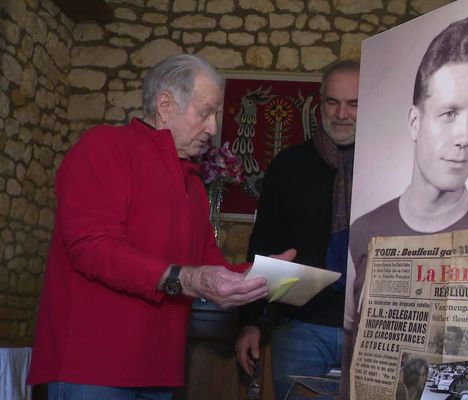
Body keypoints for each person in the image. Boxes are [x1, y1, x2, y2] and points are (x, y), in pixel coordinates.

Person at [26, 54, 295, 400]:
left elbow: (208, 264)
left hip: (160, 369)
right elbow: (91, 246)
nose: (213, 128)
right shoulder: (106, 146)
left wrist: (266, 273)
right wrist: (183, 278)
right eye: (205, 113)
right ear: (165, 105)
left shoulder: (193, 182)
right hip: (94, 366)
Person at [343, 16, 468, 396]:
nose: (465, 137)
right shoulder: (364, 230)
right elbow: (349, 351)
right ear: (415, 123)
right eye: (449, 113)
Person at [234, 60, 360, 400]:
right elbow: (262, 244)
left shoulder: (390, 167)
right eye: (333, 102)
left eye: (354, 103)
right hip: (300, 327)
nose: (342, 113)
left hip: (370, 332)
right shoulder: (289, 165)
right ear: (321, 103)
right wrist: (250, 321)